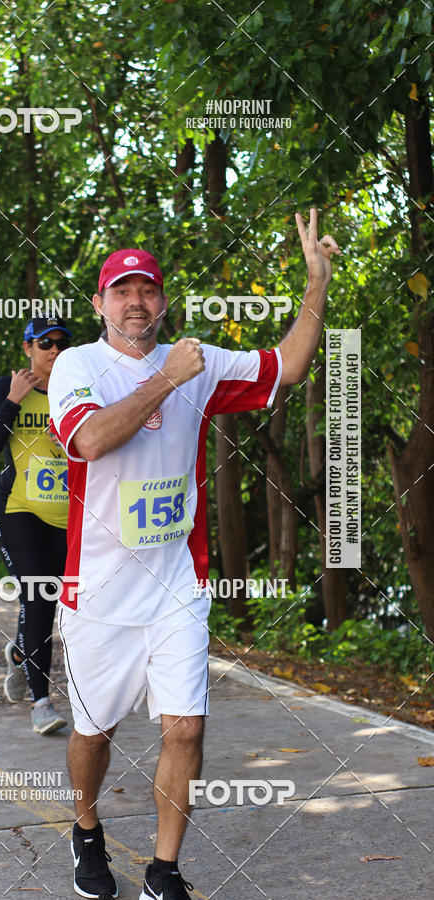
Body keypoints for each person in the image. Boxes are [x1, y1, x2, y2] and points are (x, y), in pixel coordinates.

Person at [47, 209, 340, 899]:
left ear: (162, 301)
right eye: (122, 290)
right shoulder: (77, 366)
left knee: (185, 729)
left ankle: (164, 870)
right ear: (100, 303)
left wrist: (316, 284)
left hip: (176, 585)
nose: (136, 301)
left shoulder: (195, 360)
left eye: (147, 289)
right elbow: (90, 441)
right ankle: (85, 829)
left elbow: (288, 366)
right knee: (94, 733)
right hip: (99, 593)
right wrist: (167, 380)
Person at [0, 316, 72, 735]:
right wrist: (13, 399)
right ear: (27, 348)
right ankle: (41, 703)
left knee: (62, 601)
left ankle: (20, 655)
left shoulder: (79, 389)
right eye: (45, 343)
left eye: (62, 343)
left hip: (68, 514)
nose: (54, 350)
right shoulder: (7, 387)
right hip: (18, 508)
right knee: (38, 596)